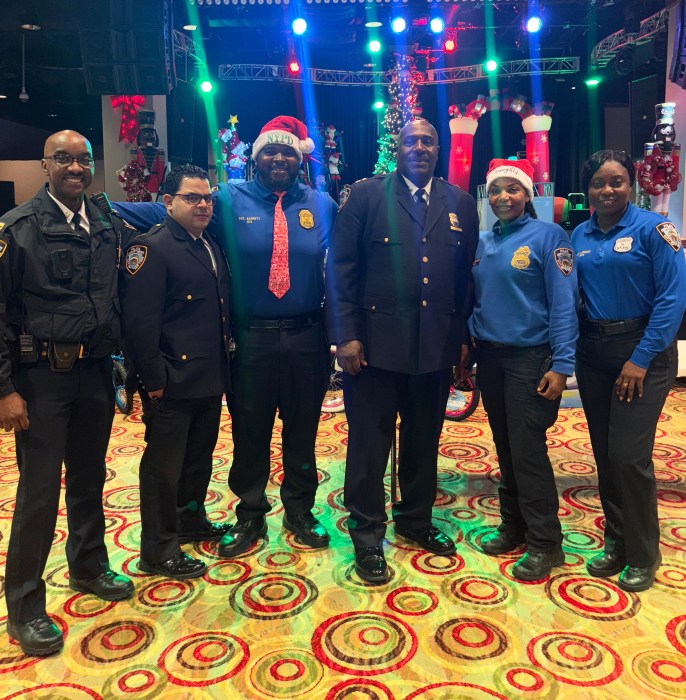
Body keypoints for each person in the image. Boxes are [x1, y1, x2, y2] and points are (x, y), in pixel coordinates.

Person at [113, 116, 338, 558]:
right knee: (249, 431)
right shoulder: (228, 198)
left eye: (288, 151)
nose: (279, 158)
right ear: (257, 158)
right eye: (270, 151)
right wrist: (99, 207)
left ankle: (300, 509)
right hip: (249, 339)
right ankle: (250, 513)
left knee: (302, 429)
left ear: (300, 157)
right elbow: (171, 211)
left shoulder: (323, 204)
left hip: (307, 336)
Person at [325, 119, 479, 584]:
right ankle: (367, 535)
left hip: (433, 347)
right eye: (411, 140)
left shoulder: (461, 203)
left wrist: (462, 339)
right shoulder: (366, 197)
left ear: (439, 148)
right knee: (369, 446)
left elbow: (462, 279)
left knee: (422, 442)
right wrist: (346, 335)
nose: (419, 147)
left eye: (428, 141)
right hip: (372, 350)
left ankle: (415, 521)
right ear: (398, 147)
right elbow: (341, 269)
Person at [0, 130, 133, 656]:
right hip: (41, 381)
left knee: (87, 478)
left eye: (84, 160)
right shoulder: (19, 230)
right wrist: (5, 390)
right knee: (38, 493)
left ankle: (89, 566)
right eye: (64, 159)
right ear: (45, 165)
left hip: (95, 373)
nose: (76, 168)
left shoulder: (104, 224)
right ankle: (25, 606)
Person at [572, 149, 686, 592]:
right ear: (588, 189)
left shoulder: (656, 230)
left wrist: (639, 360)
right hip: (594, 351)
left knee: (628, 455)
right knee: (603, 452)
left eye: (616, 181)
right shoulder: (579, 233)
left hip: (644, 354)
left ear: (633, 184)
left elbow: (672, 300)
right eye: (599, 183)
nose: (607, 190)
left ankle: (644, 551)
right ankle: (616, 540)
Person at [120, 164, 232, 579]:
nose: (203, 205)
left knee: (198, 460)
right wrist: (153, 384)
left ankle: (189, 520)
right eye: (192, 197)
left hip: (207, 378)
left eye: (207, 198)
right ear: (167, 202)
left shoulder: (208, 244)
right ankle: (158, 548)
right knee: (163, 470)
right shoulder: (151, 247)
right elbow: (139, 325)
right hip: (170, 382)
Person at [469, 159, 578, 581]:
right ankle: (513, 526)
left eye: (513, 190)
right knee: (507, 448)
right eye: (496, 191)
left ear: (528, 195)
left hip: (531, 360)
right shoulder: (484, 242)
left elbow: (564, 304)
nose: (503, 198)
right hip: (492, 360)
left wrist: (563, 363)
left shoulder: (551, 236)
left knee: (528, 452)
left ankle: (546, 544)